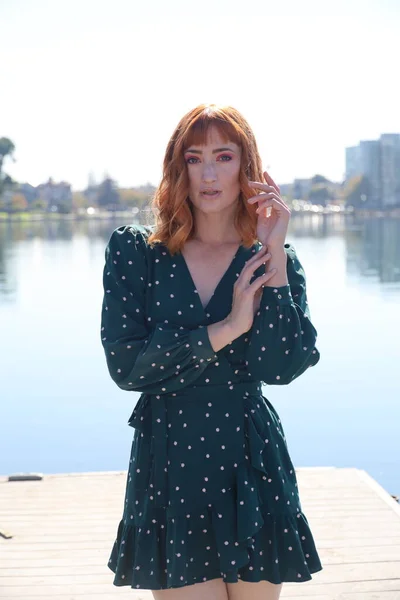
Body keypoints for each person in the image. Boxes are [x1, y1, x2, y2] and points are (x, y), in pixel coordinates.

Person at [100, 103, 323, 600]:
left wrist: (275, 257)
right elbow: (127, 367)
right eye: (194, 158)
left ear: (247, 166)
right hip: (170, 464)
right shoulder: (138, 252)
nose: (208, 173)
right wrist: (227, 327)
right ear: (177, 168)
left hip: (251, 462)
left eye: (223, 157)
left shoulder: (272, 258)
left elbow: (281, 367)